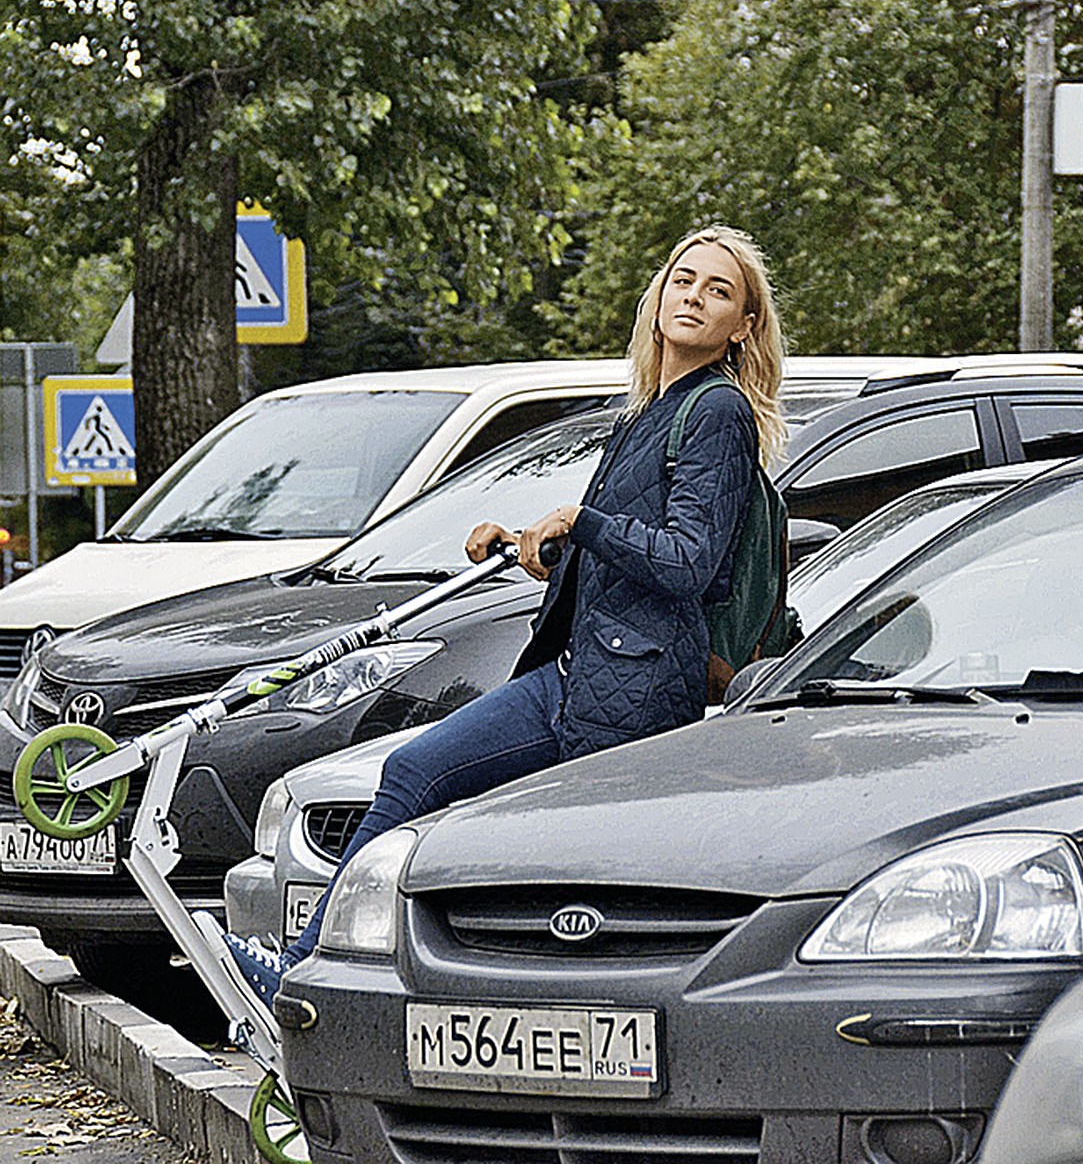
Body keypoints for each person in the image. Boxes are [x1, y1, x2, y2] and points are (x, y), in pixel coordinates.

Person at [224, 225, 786, 1007]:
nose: (694, 297)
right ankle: (316, 967)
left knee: (556, 881)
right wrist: (534, 544)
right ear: (657, 296)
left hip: (636, 695)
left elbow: (688, 560)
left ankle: (318, 973)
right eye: (683, 281)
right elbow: (630, 563)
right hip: (578, 673)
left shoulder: (716, 411)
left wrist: (581, 522)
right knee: (418, 774)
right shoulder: (647, 412)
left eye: (718, 291)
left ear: (744, 326)